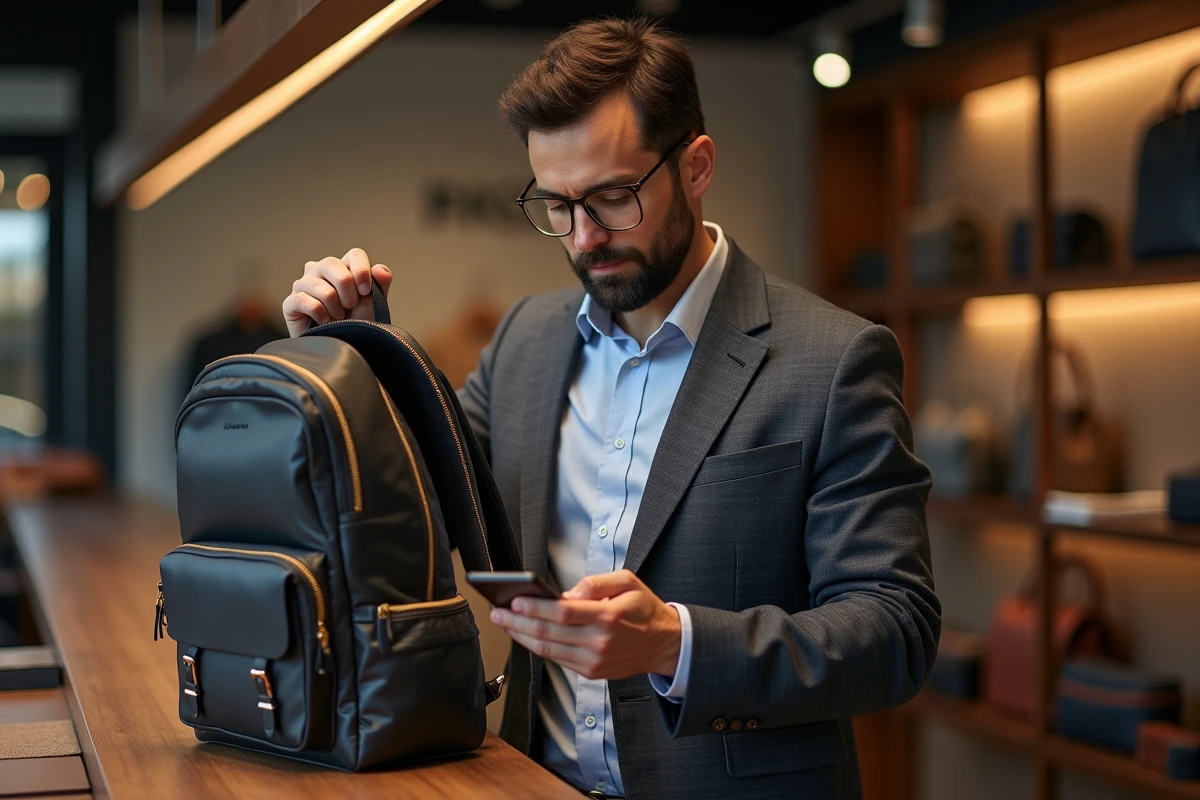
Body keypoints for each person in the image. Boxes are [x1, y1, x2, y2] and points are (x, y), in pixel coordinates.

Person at [281, 17, 939, 800]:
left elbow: (896, 629)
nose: (584, 236)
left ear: (696, 167)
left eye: (613, 197)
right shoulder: (525, 339)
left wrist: (678, 644)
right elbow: (416, 506)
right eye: (556, 205)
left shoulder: (832, 360)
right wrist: (347, 356)